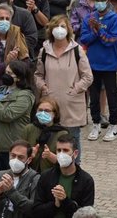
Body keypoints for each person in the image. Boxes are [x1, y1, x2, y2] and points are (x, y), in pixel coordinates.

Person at [35, 15, 93, 155]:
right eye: (56, 26)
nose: (59, 30)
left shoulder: (77, 50)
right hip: (50, 107)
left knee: (72, 144)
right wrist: (43, 87)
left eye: (63, 26)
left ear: (68, 29)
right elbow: (38, 75)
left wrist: (76, 89)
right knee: (51, 143)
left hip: (71, 107)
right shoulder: (44, 51)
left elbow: (88, 76)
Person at [79, 0, 117, 142]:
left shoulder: (114, 18)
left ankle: (113, 125)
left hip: (110, 64)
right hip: (92, 64)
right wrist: (95, 32)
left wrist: (99, 30)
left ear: (108, 0)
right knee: (94, 96)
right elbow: (84, 39)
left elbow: (111, 40)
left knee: (111, 94)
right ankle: (96, 123)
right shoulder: (89, 18)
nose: (99, 2)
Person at [0, 60, 36, 173]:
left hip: (9, 146)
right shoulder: (0, 91)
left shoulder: (25, 96)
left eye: (10, 73)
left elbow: (6, 115)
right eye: (6, 72)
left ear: (19, 78)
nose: (6, 75)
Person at [31, 133, 95, 215]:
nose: (61, 154)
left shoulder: (86, 180)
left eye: (65, 150)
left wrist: (65, 201)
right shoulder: (46, 176)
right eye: (58, 150)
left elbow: (87, 215)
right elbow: (36, 210)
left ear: (75, 154)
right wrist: (55, 204)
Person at [0, 139, 39, 218]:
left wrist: (12, 192)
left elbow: (33, 210)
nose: (15, 160)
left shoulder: (35, 179)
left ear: (29, 160)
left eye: (20, 157)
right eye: (13, 155)